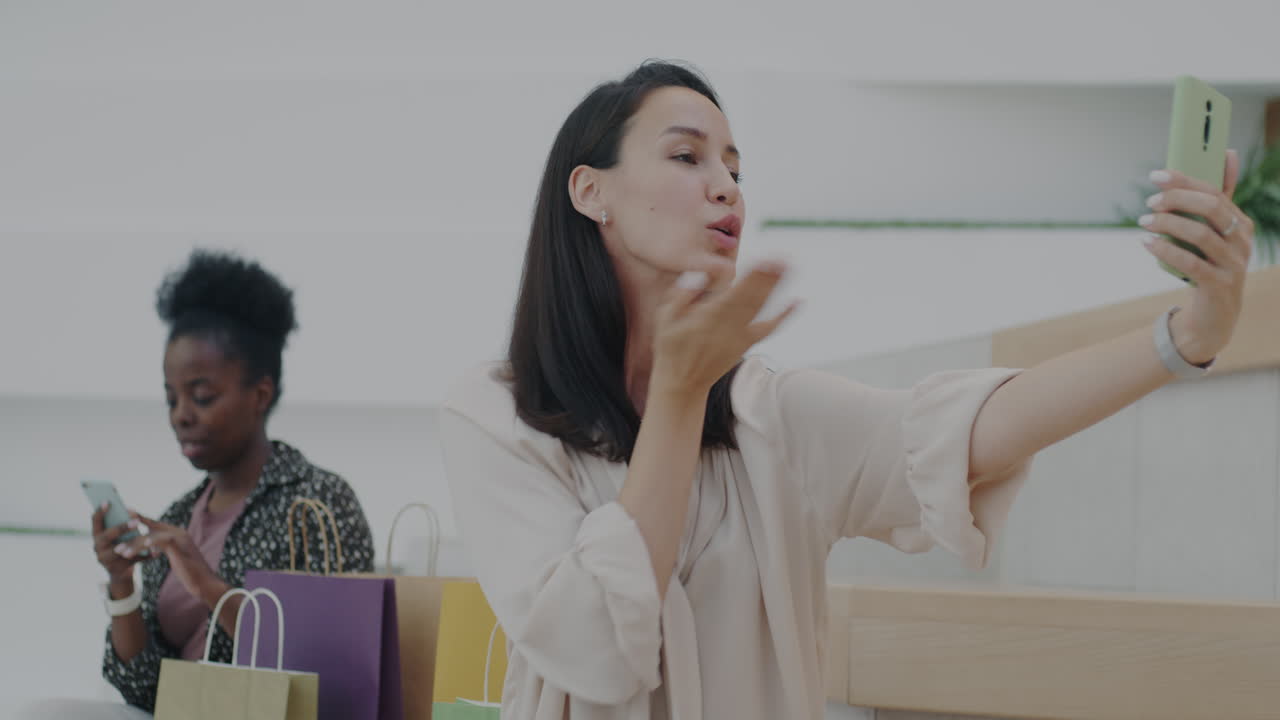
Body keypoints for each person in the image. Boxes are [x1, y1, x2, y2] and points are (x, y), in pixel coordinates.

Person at [439, 61, 1253, 720]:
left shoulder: (772, 418)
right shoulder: (496, 416)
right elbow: (597, 649)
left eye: (734, 167)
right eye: (688, 157)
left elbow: (975, 426)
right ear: (591, 193)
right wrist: (681, 396)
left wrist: (1187, 336)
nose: (726, 186)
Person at [23, 250, 377, 718]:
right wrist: (121, 582)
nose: (181, 415)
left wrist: (205, 582)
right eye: (171, 398)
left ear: (260, 395)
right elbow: (142, 686)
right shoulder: (177, 517)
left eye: (202, 396)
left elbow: (326, 670)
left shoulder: (319, 502)